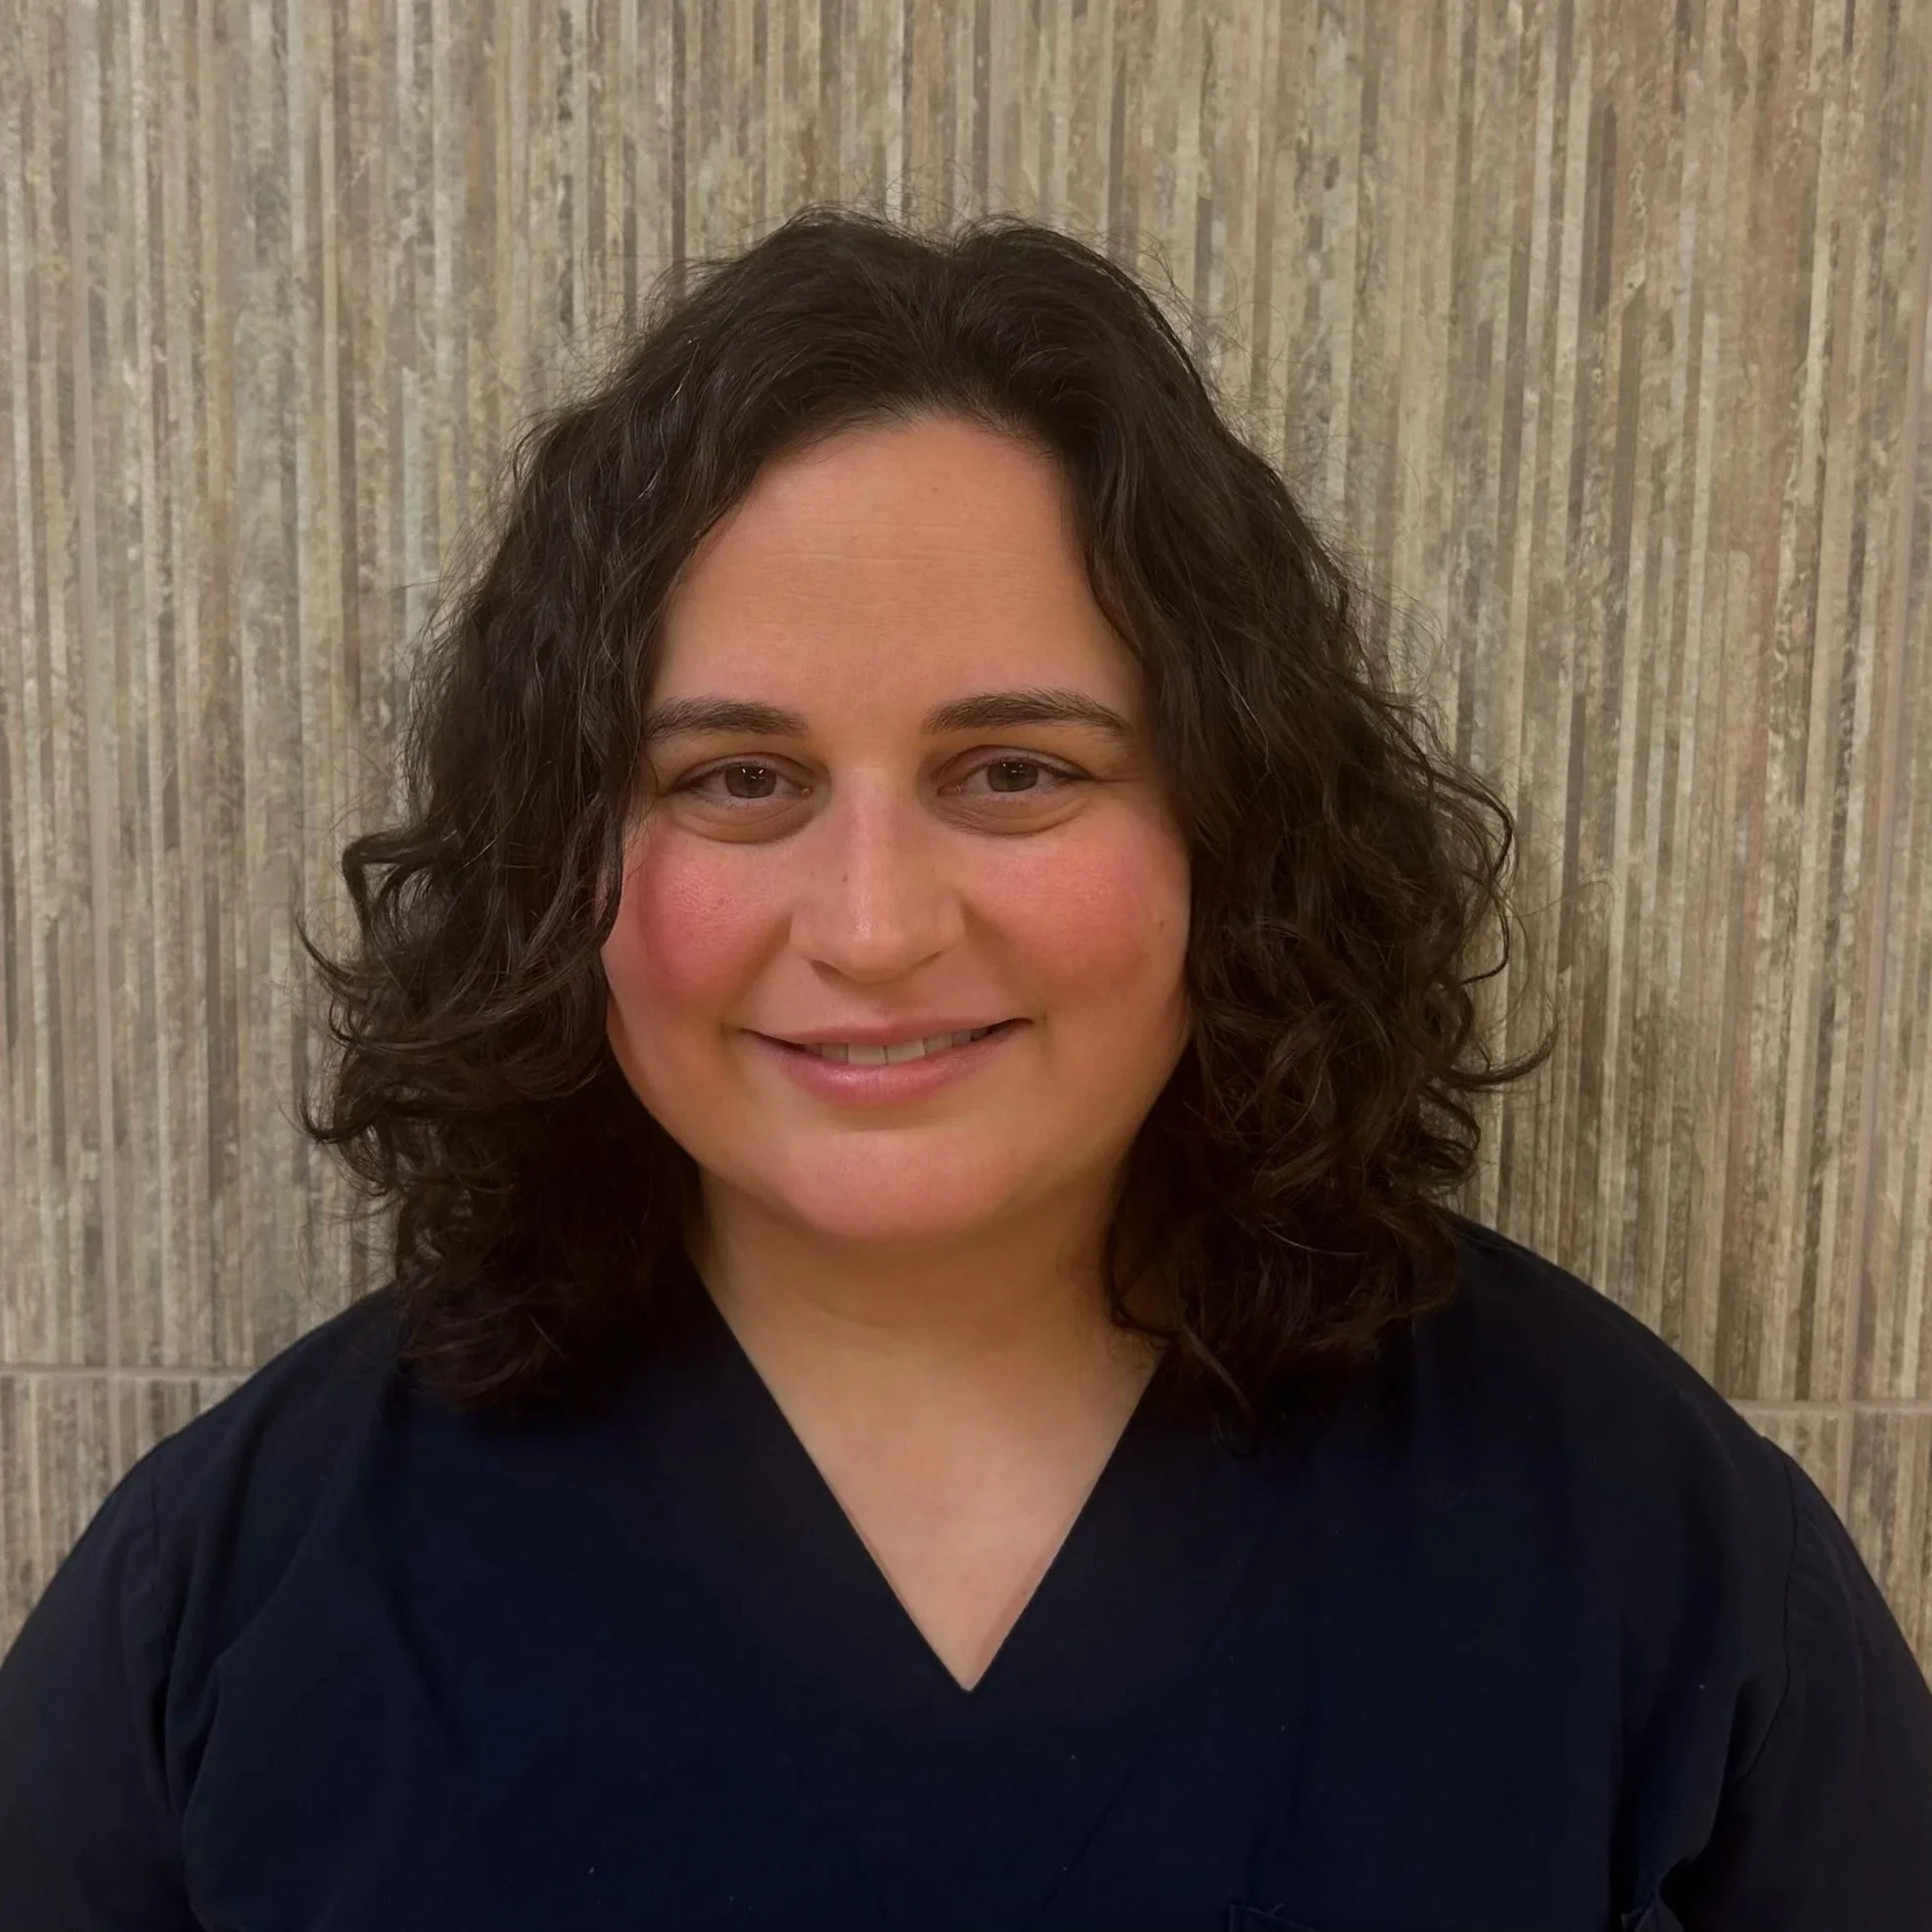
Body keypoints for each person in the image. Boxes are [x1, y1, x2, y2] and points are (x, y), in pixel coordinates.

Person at [1, 205, 1927, 1932]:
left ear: (1231, 834)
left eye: (1017, 771)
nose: (870, 926)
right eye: (733, 780)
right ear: (560, 864)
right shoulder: (235, 1589)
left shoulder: (1636, 1540)